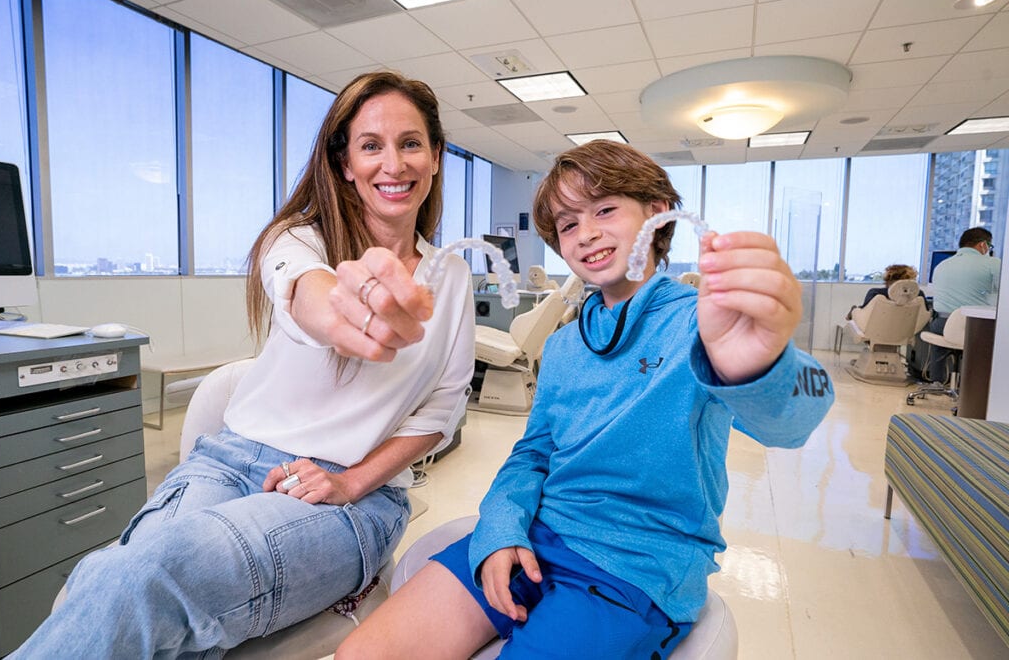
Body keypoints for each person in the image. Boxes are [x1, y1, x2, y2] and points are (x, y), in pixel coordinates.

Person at [11, 71, 476, 658]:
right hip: (227, 461)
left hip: (353, 496)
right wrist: (342, 313)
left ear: (435, 157)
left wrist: (350, 480)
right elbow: (304, 292)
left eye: (411, 143)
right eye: (370, 145)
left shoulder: (451, 279)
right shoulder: (297, 241)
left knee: (138, 580)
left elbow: (443, 407)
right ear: (344, 165)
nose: (393, 163)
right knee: (121, 588)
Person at [338, 140, 834, 659]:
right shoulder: (564, 345)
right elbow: (533, 454)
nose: (587, 233)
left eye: (605, 209)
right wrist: (503, 528)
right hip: (535, 538)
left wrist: (762, 363)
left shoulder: (702, 323)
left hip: (634, 566)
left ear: (658, 214)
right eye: (569, 224)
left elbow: (801, 415)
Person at [909, 227, 1000, 382]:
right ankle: (974, 388)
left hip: (942, 324)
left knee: (939, 346)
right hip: (974, 327)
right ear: (983, 245)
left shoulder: (941, 266)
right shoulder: (993, 263)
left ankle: (937, 383)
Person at [845, 263, 924, 320]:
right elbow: (926, 315)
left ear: (888, 280)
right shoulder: (919, 295)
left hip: (875, 330)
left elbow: (864, 313)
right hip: (905, 332)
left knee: (859, 310)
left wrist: (856, 312)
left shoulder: (875, 293)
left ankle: (854, 311)